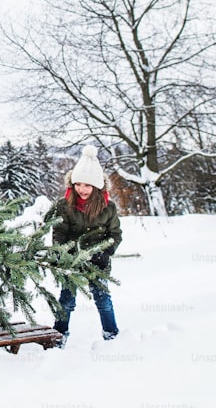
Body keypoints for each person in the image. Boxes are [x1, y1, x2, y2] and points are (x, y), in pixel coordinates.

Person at [47, 145, 122, 344]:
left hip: (98, 262)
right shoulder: (65, 206)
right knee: (66, 300)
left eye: (87, 185)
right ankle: (59, 334)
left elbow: (115, 234)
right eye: (78, 184)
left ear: (97, 187)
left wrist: (105, 253)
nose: (82, 189)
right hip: (71, 261)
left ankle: (111, 334)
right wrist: (59, 252)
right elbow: (59, 231)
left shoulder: (108, 207)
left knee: (103, 300)